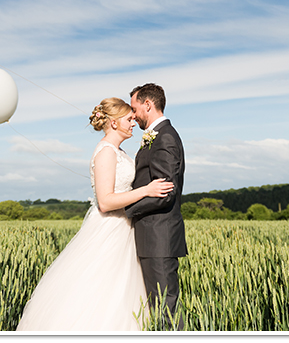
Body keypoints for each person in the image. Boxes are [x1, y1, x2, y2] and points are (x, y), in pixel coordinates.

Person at [16, 97, 174, 331]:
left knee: (124, 290)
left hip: (125, 228)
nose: (133, 123)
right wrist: (146, 190)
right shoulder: (106, 152)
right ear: (113, 123)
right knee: (100, 288)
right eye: (129, 119)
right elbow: (105, 201)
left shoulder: (120, 152)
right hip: (109, 227)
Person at [125, 83, 188, 325]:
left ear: (148, 105)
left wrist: (127, 210)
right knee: (155, 307)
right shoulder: (157, 136)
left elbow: (165, 193)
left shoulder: (165, 138)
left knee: (166, 309)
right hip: (151, 238)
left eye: (134, 107)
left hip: (159, 239)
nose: (132, 114)